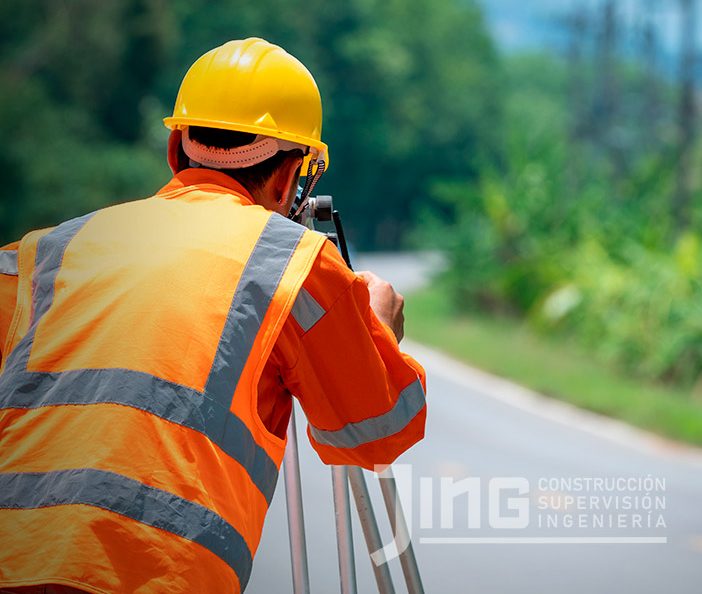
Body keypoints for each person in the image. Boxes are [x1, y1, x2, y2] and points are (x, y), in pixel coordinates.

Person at [0, 38, 427, 593]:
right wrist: (379, 331)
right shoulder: (291, 262)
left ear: (176, 147)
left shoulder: (44, 251)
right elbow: (377, 433)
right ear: (289, 175)